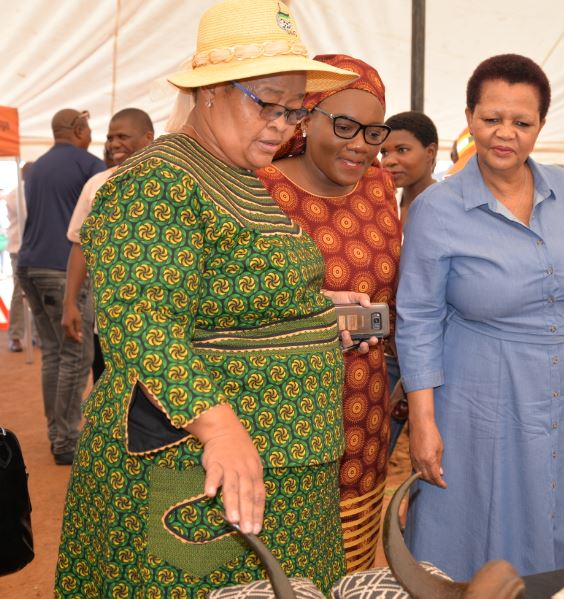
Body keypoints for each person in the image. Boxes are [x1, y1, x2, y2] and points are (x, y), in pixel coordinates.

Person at [54, 1, 361, 596]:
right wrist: (218, 428)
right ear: (211, 92)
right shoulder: (159, 180)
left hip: (275, 464)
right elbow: (141, 320)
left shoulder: (238, 174)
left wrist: (313, 306)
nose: (283, 124)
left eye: (295, 109)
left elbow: (224, 290)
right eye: (266, 103)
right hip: (195, 471)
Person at [396, 54, 564, 580]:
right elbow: (418, 319)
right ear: (469, 118)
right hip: (481, 398)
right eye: (491, 118)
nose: (505, 134)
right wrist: (423, 423)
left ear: (541, 124)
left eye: (522, 122)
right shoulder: (437, 209)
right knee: (480, 517)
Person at [258, 54, 401, 572]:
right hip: (282, 416)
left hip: (364, 411)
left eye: (373, 132)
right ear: (305, 118)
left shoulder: (378, 187)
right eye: (344, 126)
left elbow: (392, 296)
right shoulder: (259, 188)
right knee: (284, 569)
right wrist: (316, 317)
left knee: (352, 563)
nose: (360, 144)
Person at [16, 108, 105, 465]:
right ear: (79, 129)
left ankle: (57, 432)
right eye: (89, 128)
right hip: (62, 269)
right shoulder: (89, 165)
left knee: (53, 354)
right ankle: (66, 440)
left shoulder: (36, 167)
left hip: (28, 267)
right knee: (75, 356)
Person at [61, 108, 155, 383]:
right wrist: (69, 302)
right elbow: (80, 245)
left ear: (149, 137)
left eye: (122, 136)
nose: (114, 144)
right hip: (107, 321)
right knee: (107, 387)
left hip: (162, 322)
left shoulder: (172, 181)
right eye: (111, 137)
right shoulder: (97, 184)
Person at [380, 110, 439, 453]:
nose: (389, 160)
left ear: (430, 152)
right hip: (388, 352)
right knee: (376, 452)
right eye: (384, 152)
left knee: (433, 452)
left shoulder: (445, 208)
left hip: (429, 356)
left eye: (402, 150)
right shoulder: (383, 205)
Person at [3, 162, 34, 352]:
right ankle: (15, 335)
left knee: (36, 292)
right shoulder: (17, 194)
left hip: (32, 249)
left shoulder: (26, 192)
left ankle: (34, 335)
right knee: (19, 292)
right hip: (20, 249)